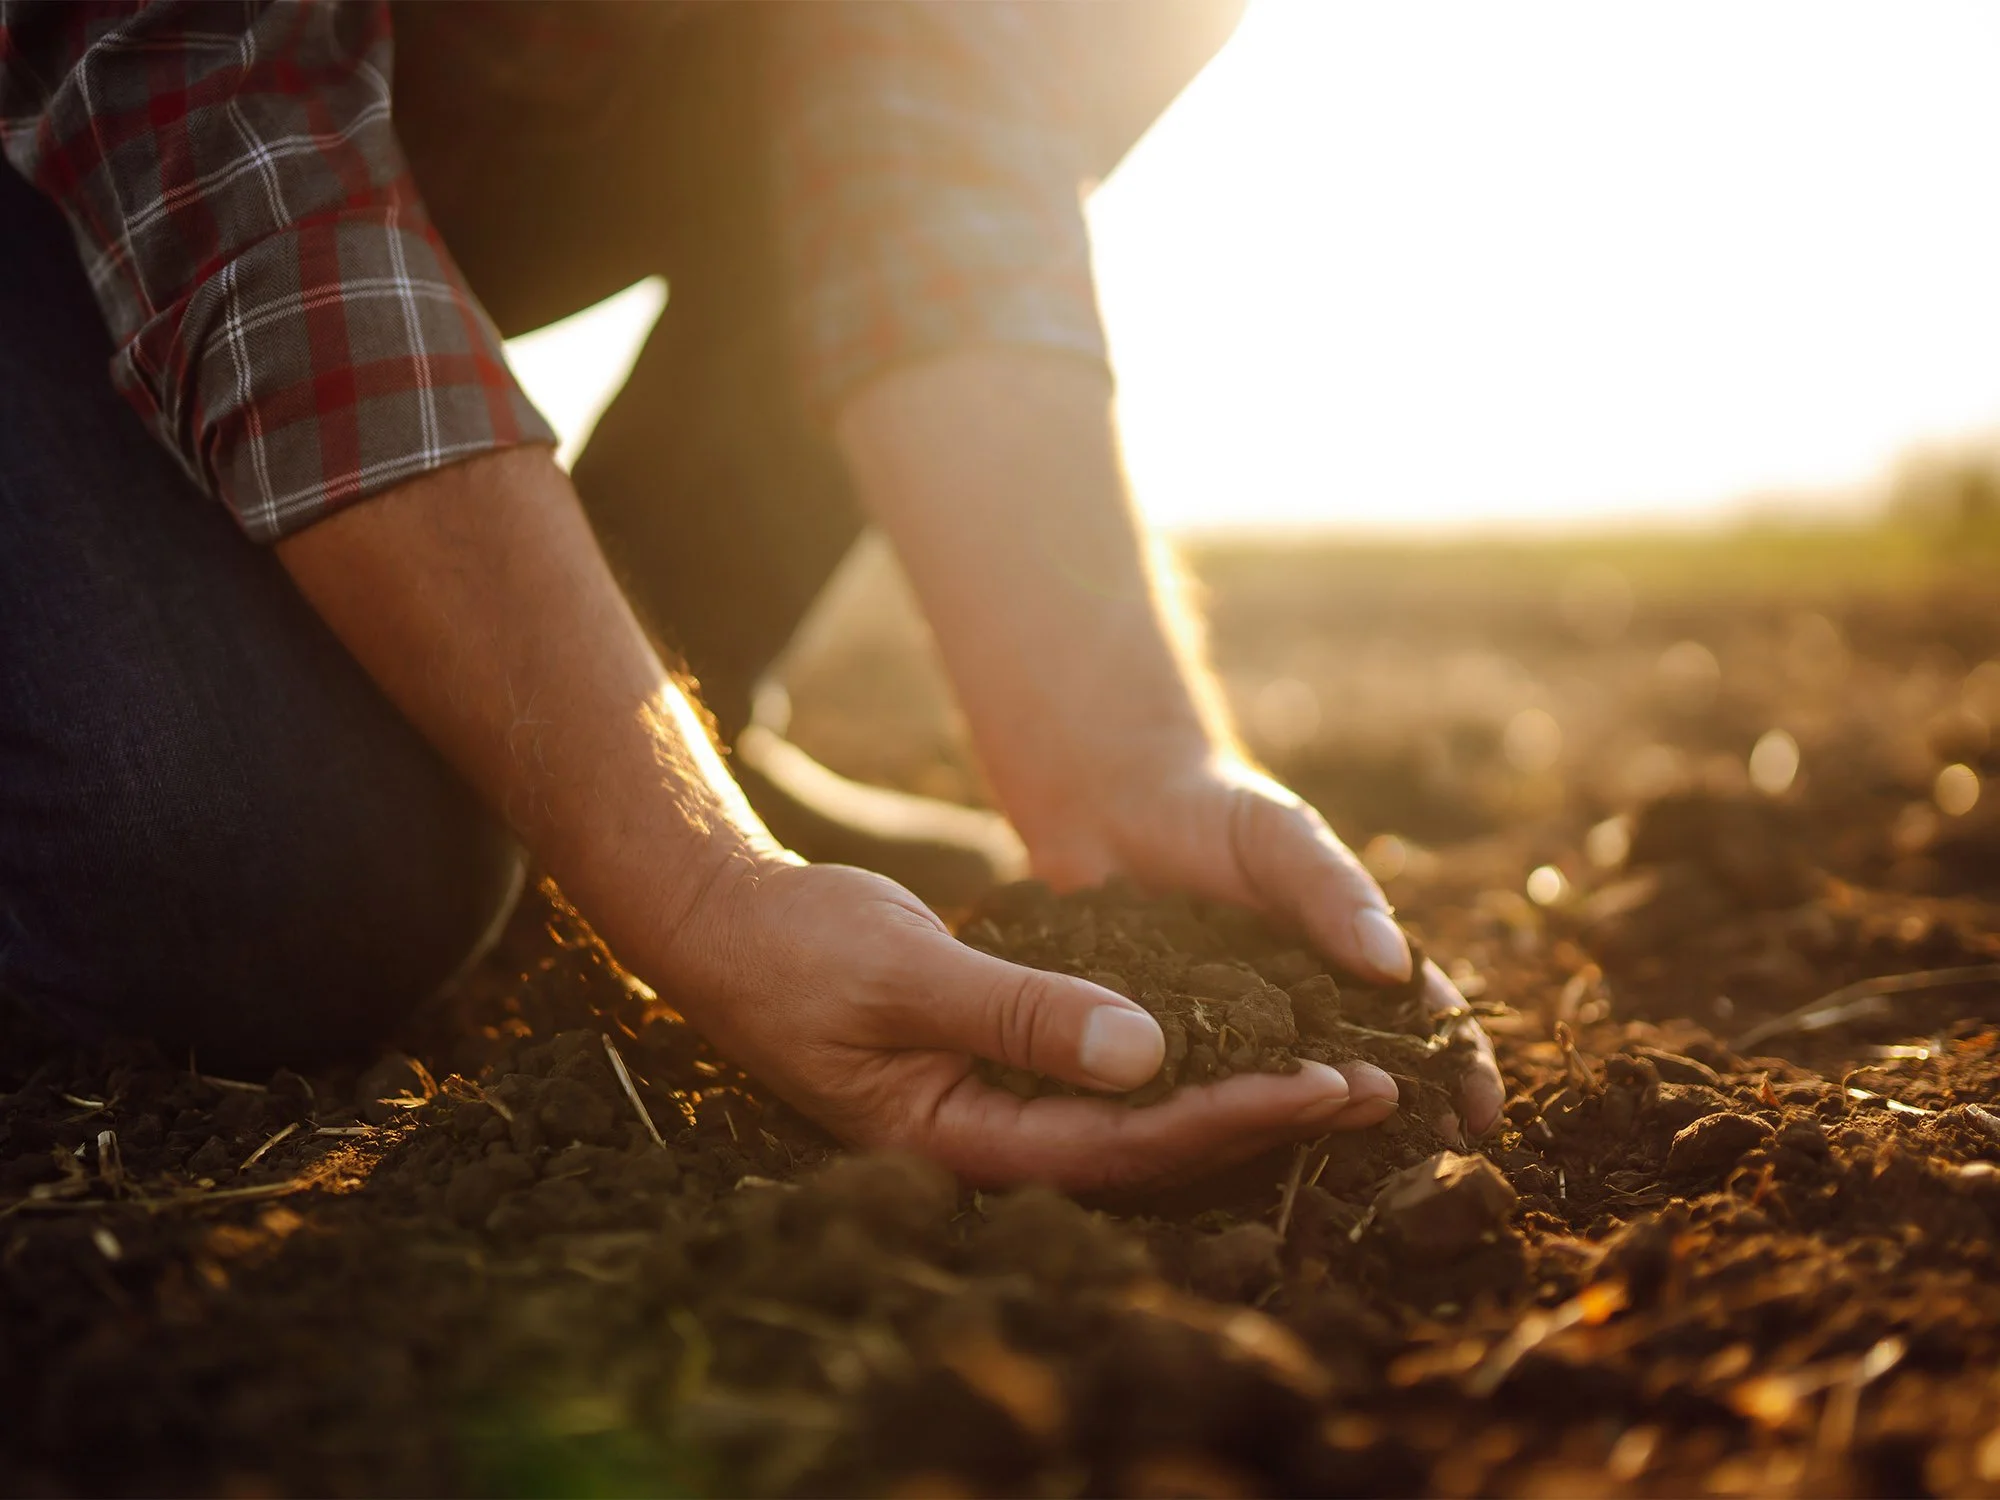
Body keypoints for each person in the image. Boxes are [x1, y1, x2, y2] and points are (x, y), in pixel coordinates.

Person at [0, 1, 1500, 1189]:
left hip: (423, 99)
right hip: (75, 151)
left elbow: (924, 114)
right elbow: (216, 130)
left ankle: (671, 714)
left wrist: (1122, 756)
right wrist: (694, 884)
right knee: (281, 884)